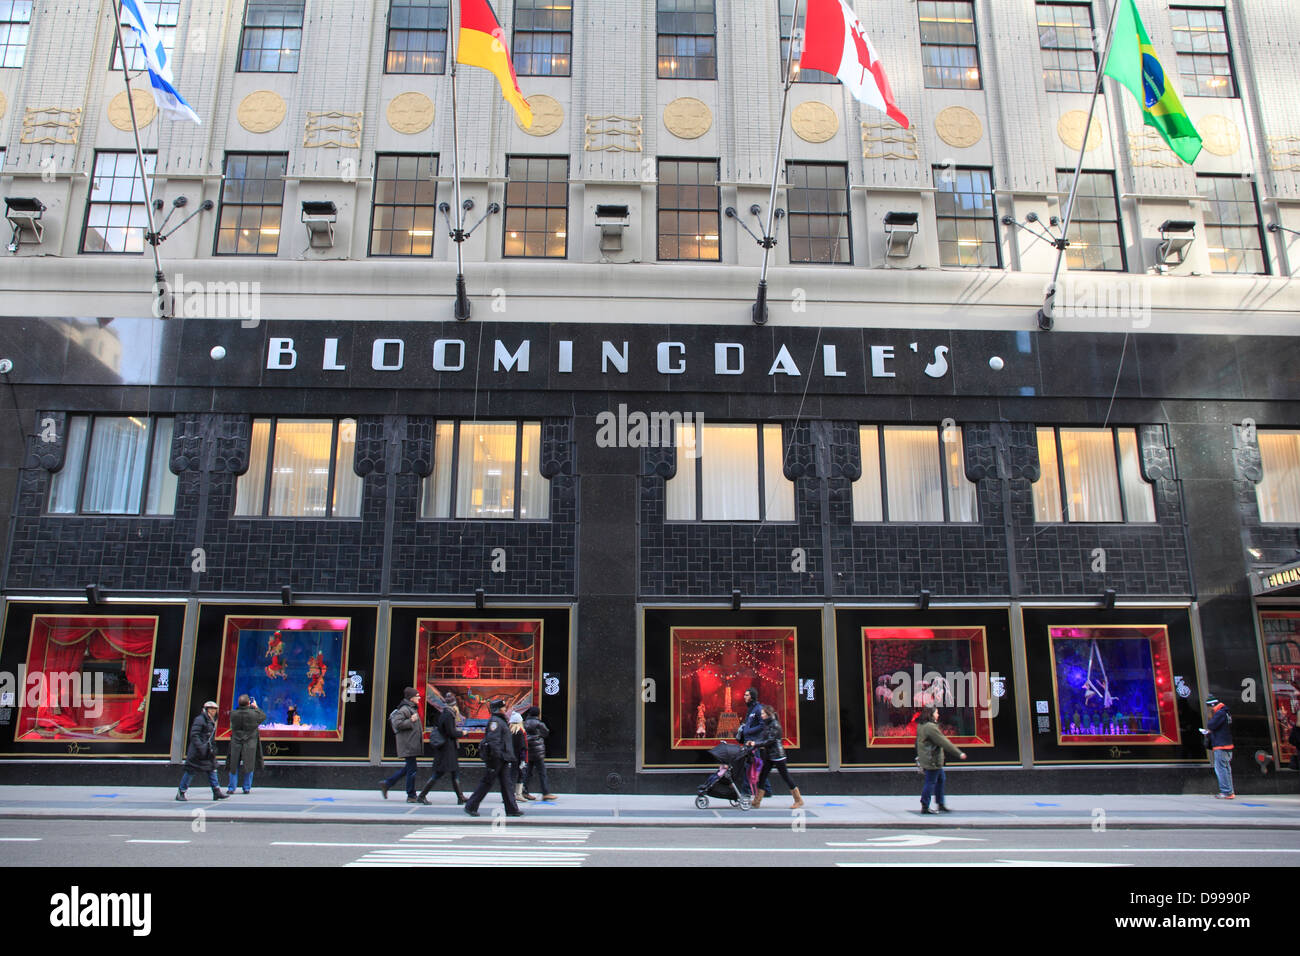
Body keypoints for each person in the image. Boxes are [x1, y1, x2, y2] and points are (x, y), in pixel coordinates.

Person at [464, 699, 523, 818]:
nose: (505, 709)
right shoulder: (495, 722)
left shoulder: (500, 720)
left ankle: (512, 809)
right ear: (498, 709)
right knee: (487, 783)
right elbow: (493, 741)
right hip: (497, 759)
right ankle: (471, 805)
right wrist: (498, 756)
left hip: (502, 758)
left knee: (507, 784)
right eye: (503, 707)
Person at [749, 705, 803, 809]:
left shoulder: (774, 725)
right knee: (762, 777)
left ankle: (798, 799)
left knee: (786, 777)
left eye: (763, 714)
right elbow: (764, 738)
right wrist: (755, 742)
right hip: (769, 755)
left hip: (778, 755)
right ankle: (757, 801)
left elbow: (770, 740)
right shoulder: (768, 724)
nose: (762, 715)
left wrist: (755, 744)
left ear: (768, 714)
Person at [416, 692, 466, 805]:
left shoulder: (447, 713)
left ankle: (460, 797)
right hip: (446, 749)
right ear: (453, 705)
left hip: (448, 748)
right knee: (438, 774)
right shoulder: (448, 715)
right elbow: (451, 732)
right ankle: (422, 795)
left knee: (454, 772)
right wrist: (462, 733)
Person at [915, 705, 966, 814]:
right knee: (931, 781)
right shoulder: (930, 727)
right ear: (931, 714)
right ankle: (925, 805)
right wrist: (959, 753)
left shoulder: (921, 725)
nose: (938, 715)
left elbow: (918, 742)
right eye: (936, 712)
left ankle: (940, 803)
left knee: (940, 778)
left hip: (928, 758)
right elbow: (944, 742)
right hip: (932, 759)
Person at [176, 701, 226, 802]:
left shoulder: (211, 720)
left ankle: (216, 791)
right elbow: (194, 735)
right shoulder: (200, 720)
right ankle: (181, 792)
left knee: (212, 769)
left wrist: (212, 748)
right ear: (206, 710)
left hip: (207, 751)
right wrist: (201, 747)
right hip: (197, 752)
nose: (214, 711)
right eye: (211, 709)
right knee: (190, 771)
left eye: (215, 710)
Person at [380, 687, 423, 803]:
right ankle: (411, 795)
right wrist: (411, 721)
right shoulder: (405, 709)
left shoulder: (411, 708)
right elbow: (397, 723)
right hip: (408, 744)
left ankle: (387, 783)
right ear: (411, 698)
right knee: (412, 770)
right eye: (417, 695)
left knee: (409, 769)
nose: (419, 697)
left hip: (411, 743)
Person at [225, 693, 267, 795]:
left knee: (233, 764)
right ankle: (247, 787)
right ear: (249, 703)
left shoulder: (233, 714)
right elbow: (263, 716)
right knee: (249, 764)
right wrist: (256, 707)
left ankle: (231, 787)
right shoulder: (254, 714)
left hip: (236, 741)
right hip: (250, 742)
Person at [736, 689, 772, 798]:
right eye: (744, 694)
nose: (744, 696)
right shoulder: (751, 709)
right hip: (749, 742)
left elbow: (762, 725)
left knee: (751, 765)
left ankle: (746, 791)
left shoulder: (757, 709)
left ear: (751, 696)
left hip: (753, 743)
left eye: (746, 695)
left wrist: (748, 731)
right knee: (755, 766)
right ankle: (766, 789)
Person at [1202, 695, 1234, 799]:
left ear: (1212, 705)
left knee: (1221, 769)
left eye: (1209, 707)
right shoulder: (1225, 712)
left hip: (1221, 745)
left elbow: (1211, 725)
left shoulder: (1220, 713)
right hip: (1227, 744)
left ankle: (1226, 791)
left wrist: (1211, 716)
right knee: (1226, 768)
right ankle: (1229, 791)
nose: (1209, 709)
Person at [523, 705, 557, 800]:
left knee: (528, 772)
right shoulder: (539, 723)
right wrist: (539, 735)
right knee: (542, 772)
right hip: (537, 751)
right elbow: (546, 732)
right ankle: (545, 792)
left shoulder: (525, 723)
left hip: (529, 750)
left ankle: (524, 791)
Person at [509, 711, 532, 802]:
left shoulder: (509, 731)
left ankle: (510, 794)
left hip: (510, 757)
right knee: (519, 775)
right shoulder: (520, 732)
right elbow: (523, 747)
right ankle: (517, 794)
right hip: (518, 758)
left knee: (512, 776)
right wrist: (523, 760)